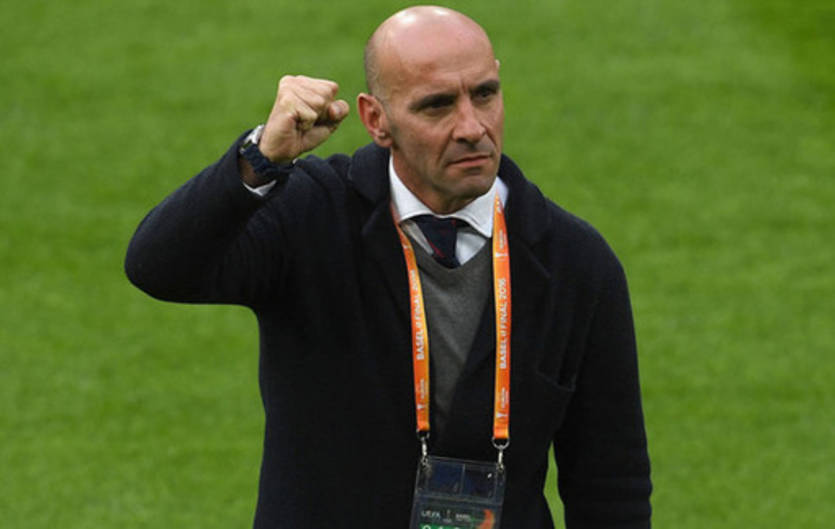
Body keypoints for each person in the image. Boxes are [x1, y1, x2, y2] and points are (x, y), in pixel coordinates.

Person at [125, 5, 652, 528]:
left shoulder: (576, 262)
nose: (472, 127)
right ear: (377, 120)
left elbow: (611, 486)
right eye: (437, 106)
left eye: (485, 94)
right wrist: (261, 157)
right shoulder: (310, 216)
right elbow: (159, 266)